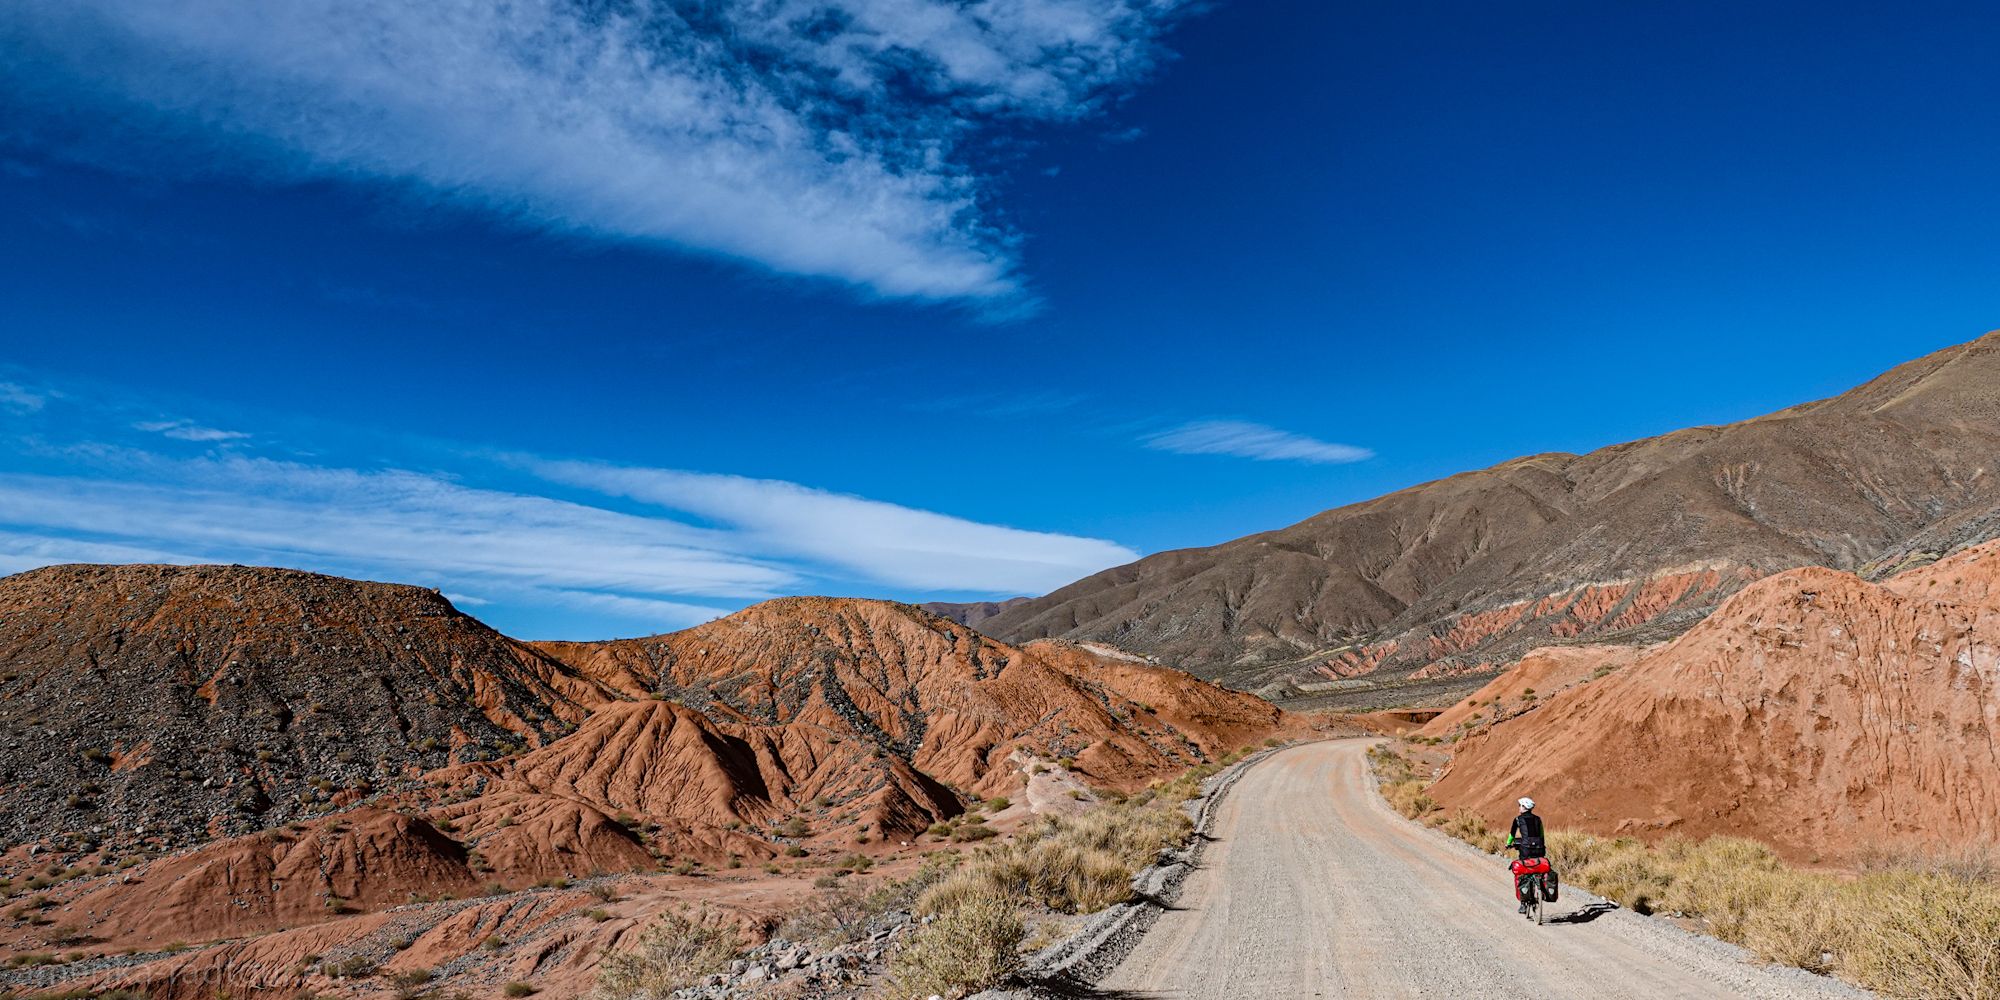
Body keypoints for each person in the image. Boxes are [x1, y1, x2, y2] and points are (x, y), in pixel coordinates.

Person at [1507, 797, 1546, 914]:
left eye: (1520, 805)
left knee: (1523, 873)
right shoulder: (1538, 819)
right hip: (1539, 849)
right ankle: (1541, 890)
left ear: (1524, 807)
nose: (1519, 808)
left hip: (1526, 850)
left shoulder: (1518, 819)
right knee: (1538, 868)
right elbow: (1542, 834)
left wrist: (1508, 844)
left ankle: (1523, 904)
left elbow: (1512, 834)